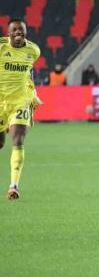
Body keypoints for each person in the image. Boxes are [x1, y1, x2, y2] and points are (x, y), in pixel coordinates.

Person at [0, 19, 41, 200]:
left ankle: (13, 186)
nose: (18, 32)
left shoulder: (33, 50)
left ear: (26, 32)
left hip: (21, 101)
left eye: (21, 29)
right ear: (8, 32)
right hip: (1, 101)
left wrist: (33, 93)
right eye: (14, 29)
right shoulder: (1, 47)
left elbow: (29, 72)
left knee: (18, 139)